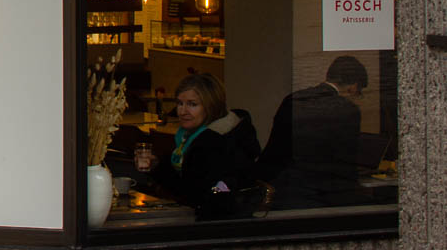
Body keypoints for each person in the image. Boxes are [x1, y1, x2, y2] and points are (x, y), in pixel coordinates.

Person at [133, 73, 262, 219]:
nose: (183, 111)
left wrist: (159, 169)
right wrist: (157, 166)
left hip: (213, 224)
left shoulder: (213, 143)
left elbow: (192, 193)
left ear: (211, 106)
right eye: (180, 103)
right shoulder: (189, 136)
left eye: (192, 104)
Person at [256, 56, 369, 209]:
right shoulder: (346, 110)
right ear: (354, 86)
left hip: (286, 187)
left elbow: (276, 148)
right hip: (324, 192)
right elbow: (346, 159)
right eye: (358, 92)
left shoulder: (294, 100)